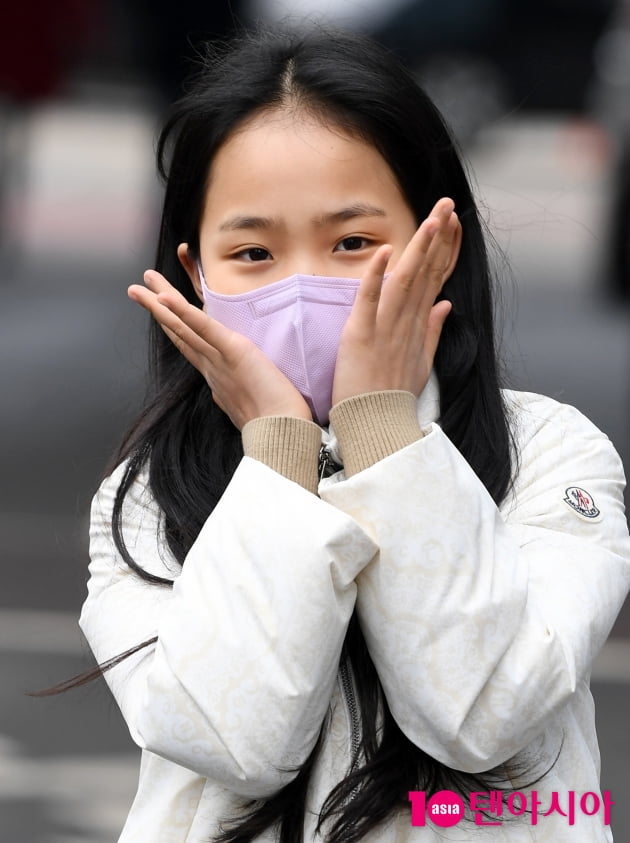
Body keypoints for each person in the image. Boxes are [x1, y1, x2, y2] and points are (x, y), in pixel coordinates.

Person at [78, 26, 630, 842]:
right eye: (254, 250)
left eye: (353, 242)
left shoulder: (551, 453)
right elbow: (236, 740)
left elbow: (482, 713)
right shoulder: (148, 494)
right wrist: (278, 455)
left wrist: (384, 435)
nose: (303, 286)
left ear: (438, 244)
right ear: (196, 276)